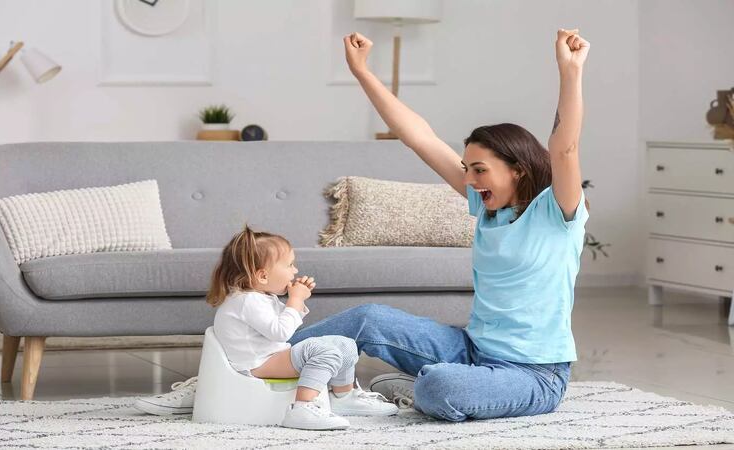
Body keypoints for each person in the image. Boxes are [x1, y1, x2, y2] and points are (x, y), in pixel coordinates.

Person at [285, 28, 592, 422]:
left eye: (480, 170)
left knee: (439, 386)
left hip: (533, 375)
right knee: (368, 319)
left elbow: (564, 147)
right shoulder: (488, 208)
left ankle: (425, 385)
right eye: (467, 169)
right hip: (471, 349)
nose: (468, 180)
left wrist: (570, 71)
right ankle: (257, 363)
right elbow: (420, 137)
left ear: (517, 169)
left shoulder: (558, 212)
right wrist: (362, 72)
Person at [134, 226, 397, 430]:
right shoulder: (246, 301)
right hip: (257, 364)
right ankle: (302, 408)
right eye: (290, 265)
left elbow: (279, 327)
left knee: (344, 343)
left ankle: (343, 396)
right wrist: (295, 300)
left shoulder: (257, 298)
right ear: (261, 276)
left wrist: (294, 300)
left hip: (269, 357)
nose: (295, 270)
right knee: (323, 351)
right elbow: (281, 332)